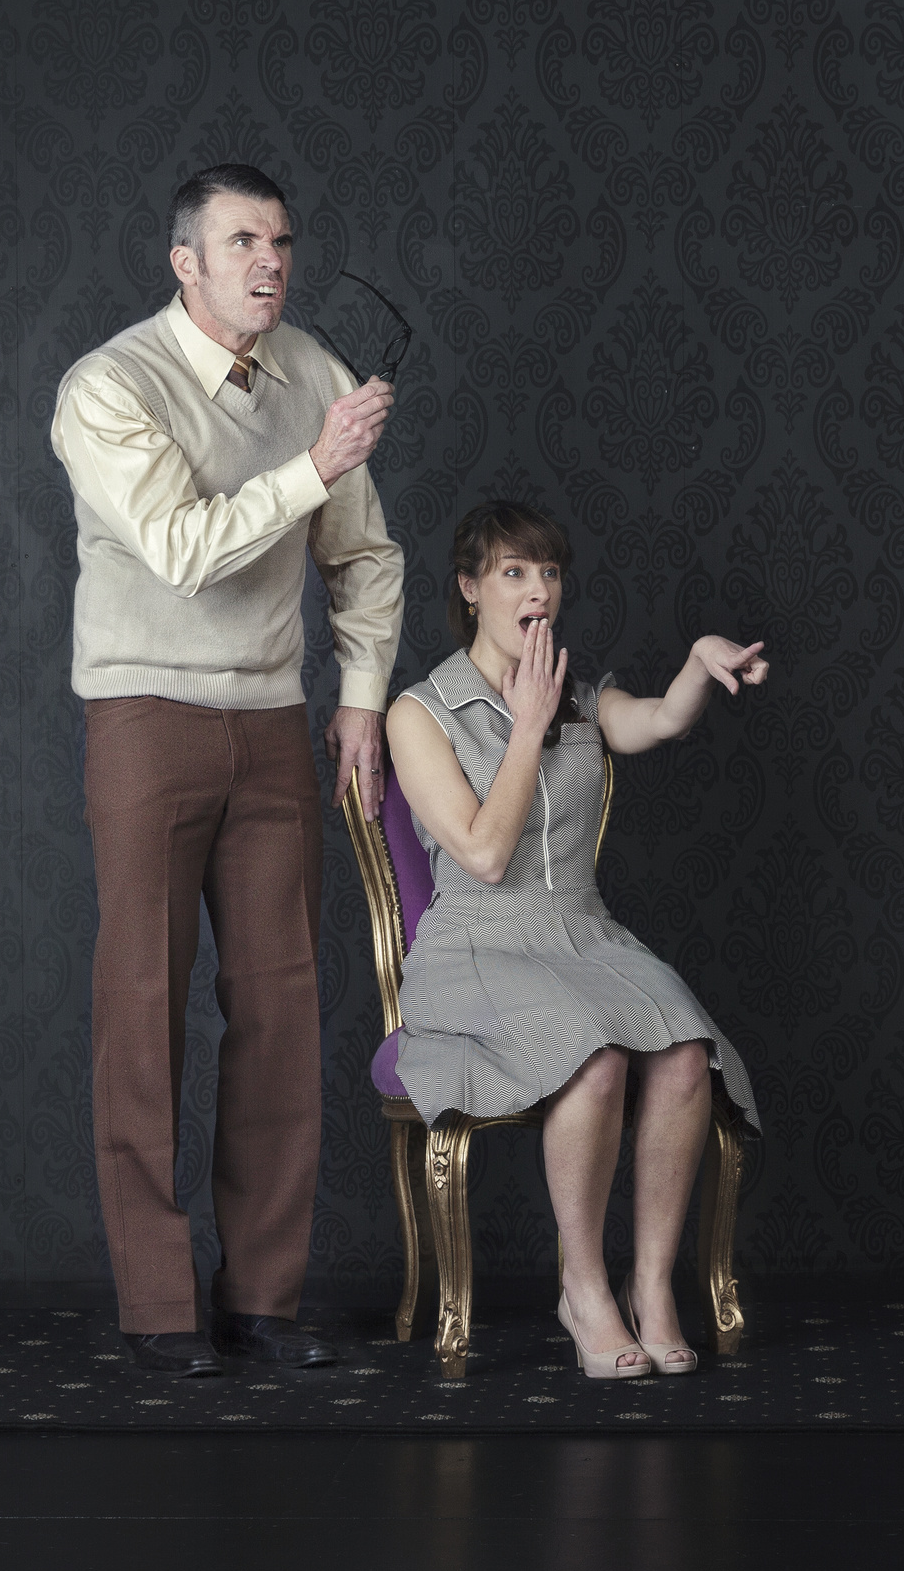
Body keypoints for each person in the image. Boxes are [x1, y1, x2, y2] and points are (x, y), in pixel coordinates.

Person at [51, 163, 403, 1374]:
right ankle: (158, 1308)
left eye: (283, 241)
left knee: (281, 1007)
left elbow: (365, 555)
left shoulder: (312, 370)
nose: (271, 261)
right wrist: (315, 464)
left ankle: (263, 1298)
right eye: (243, 240)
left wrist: (361, 700)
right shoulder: (109, 385)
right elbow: (184, 552)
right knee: (141, 1006)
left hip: (271, 720)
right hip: (146, 716)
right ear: (184, 262)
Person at [385, 502, 768, 1378]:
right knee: (594, 1059)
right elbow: (484, 856)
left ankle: (653, 1287)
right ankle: (584, 1290)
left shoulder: (578, 695)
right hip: (477, 946)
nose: (539, 591)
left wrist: (698, 666)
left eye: (550, 573)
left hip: (584, 936)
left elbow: (656, 721)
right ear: (470, 588)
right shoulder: (421, 713)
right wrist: (526, 728)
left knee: (685, 1051)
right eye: (514, 572)